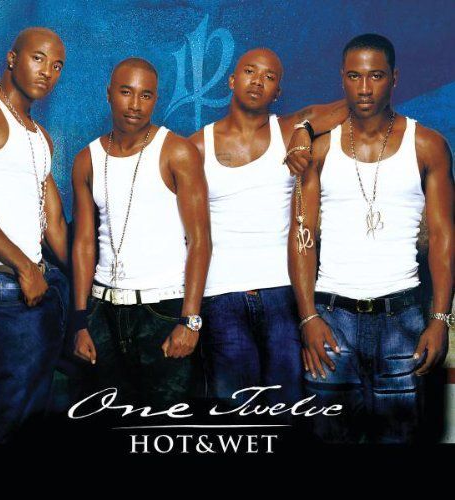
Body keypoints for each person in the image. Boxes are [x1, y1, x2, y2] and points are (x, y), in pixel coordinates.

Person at [289, 34, 454, 443]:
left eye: (376, 76)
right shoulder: (319, 151)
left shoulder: (427, 145)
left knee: (401, 439)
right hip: (331, 317)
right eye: (355, 76)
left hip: (402, 316)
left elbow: (443, 237)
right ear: (342, 79)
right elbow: (302, 236)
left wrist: (439, 319)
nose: (364, 88)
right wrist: (308, 317)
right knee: (327, 438)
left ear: (394, 78)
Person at [189, 48, 348, 408]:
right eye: (250, 71)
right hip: (221, 295)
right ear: (232, 80)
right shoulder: (198, 145)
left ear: (277, 93)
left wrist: (306, 129)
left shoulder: (288, 129)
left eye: (269, 76)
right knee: (234, 410)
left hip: (282, 292)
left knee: (285, 407)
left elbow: (357, 103)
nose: (258, 81)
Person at [72, 58, 211, 412]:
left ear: (155, 99)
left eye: (145, 95)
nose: (135, 104)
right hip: (102, 310)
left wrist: (190, 321)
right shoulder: (87, 159)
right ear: (109, 94)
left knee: (165, 423)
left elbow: (200, 241)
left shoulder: (177, 151)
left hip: (162, 311)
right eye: (126, 92)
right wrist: (80, 320)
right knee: (109, 419)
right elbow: (84, 244)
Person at [0, 27, 69, 443]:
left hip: (35, 283)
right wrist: (24, 267)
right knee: (0, 418)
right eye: (38, 58)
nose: (47, 71)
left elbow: (53, 223)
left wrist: (84, 284)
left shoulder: (41, 137)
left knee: (31, 416)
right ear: (11, 58)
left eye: (57, 66)